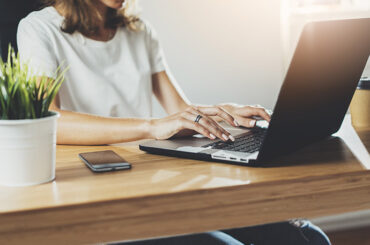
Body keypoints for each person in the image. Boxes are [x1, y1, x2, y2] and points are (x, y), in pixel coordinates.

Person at [16, 0, 331, 244]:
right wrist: (152, 126)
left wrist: (225, 112)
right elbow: (50, 119)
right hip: (103, 199)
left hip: (156, 186)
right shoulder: (39, 29)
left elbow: (180, 112)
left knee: (308, 239)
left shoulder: (139, 31)